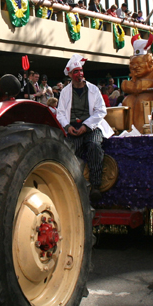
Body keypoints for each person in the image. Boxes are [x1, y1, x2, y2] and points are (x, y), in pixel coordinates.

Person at [56, 54, 114, 201]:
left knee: (94, 145)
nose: (79, 74)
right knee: (69, 151)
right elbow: (60, 113)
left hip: (92, 128)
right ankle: (73, 187)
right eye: (75, 71)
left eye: (80, 71)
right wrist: (67, 126)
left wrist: (86, 126)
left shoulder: (93, 89)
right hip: (73, 129)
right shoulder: (65, 92)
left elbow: (101, 111)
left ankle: (95, 186)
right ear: (70, 75)